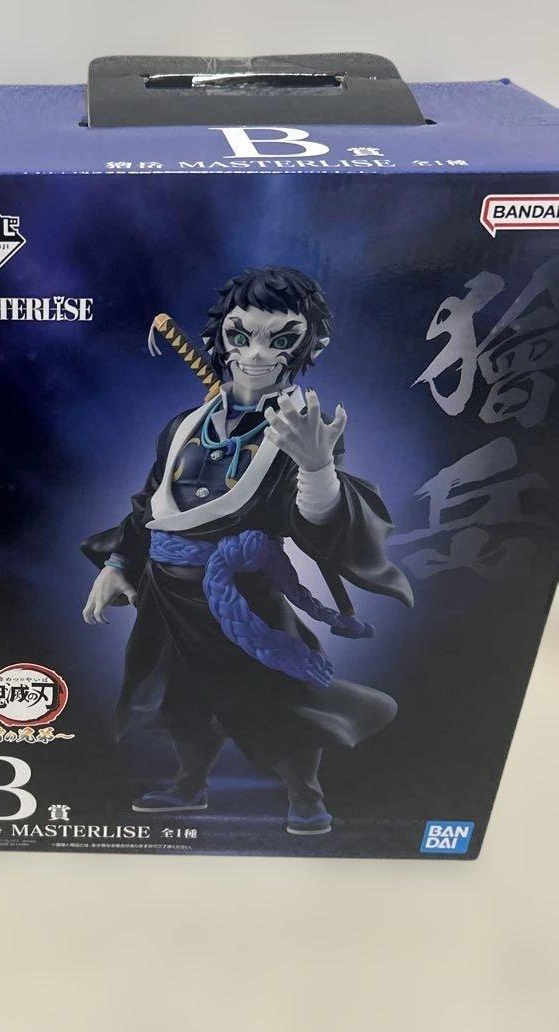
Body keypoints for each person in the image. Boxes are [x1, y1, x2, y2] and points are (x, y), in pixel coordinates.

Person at [81, 266, 413, 835]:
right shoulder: (184, 426)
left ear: (310, 346)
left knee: (278, 694)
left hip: (242, 591)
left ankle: (305, 794)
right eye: (241, 335)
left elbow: (313, 527)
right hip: (168, 591)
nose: (257, 354)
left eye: (280, 339)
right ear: (220, 338)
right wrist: (117, 563)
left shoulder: (301, 429)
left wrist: (317, 468)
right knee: (179, 695)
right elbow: (149, 504)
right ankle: (189, 783)